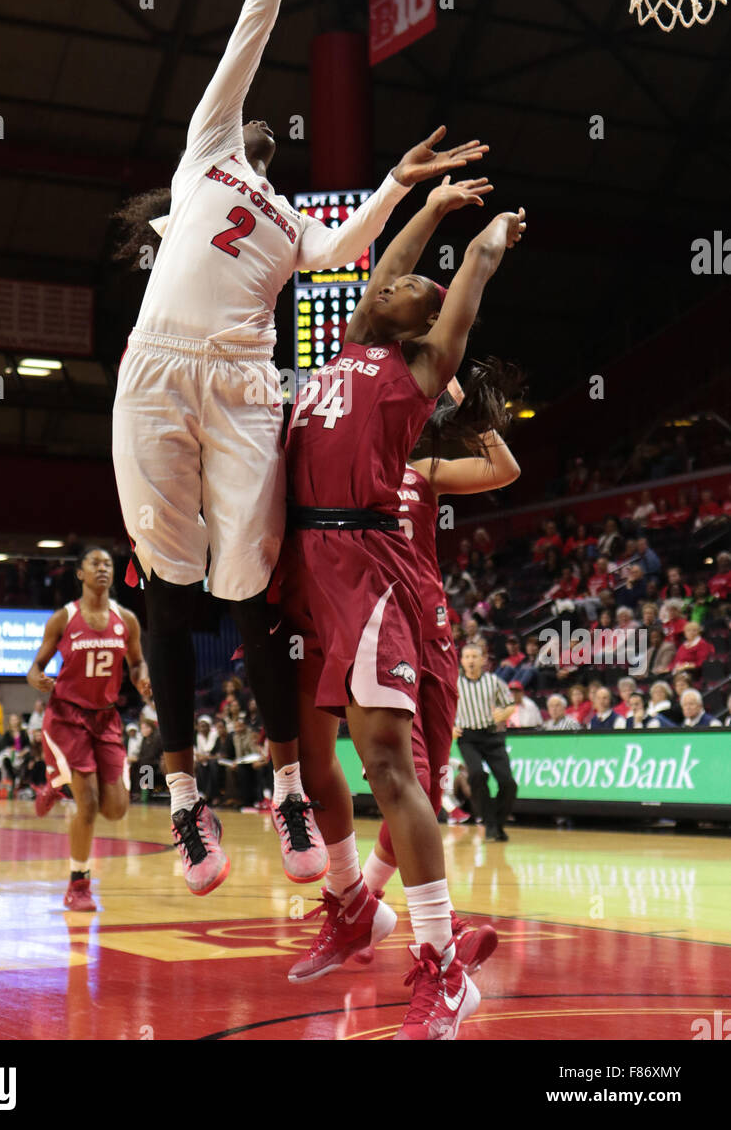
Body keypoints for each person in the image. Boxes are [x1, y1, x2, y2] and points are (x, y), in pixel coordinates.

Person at [110, 0, 488, 897]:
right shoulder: (208, 147)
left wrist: (400, 182)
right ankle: (183, 799)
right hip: (156, 367)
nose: (260, 133)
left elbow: (351, 250)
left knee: (243, 587)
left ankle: (279, 784)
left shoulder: (291, 229)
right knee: (168, 595)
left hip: (238, 384)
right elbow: (250, 20)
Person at [276, 176, 525, 1038]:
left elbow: (466, 280)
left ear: (422, 323)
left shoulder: (417, 367)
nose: (394, 283)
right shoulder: (347, 345)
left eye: (411, 288)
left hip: (366, 564)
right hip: (310, 565)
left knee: (388, 765)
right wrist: (432, 205)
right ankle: (358, 908)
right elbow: (397, 264)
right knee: (316, 764)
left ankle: (441, 966)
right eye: (385, 282)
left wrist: (489, 235)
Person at [357, 366, 521, 972]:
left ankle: (363, 903)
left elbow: (505, 470)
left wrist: (473, 413)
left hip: (435, 630)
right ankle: (437, 926)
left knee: (428, 788)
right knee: (417, 778)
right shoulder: (351, 470)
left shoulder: (423, 471)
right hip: (383, 630)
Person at [26, 546, 152, 912]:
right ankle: (78, 885)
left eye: (108, 565)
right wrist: (37, 679)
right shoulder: (63, 619)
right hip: (67, 718)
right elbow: (35, 666)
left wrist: (142, 679)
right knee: (90, 803)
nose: (102, 569)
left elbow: (138, 663)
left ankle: (55, 783)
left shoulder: (126, 619)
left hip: (106, 718)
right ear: (80, 574)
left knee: (115, 810)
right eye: (94, 564)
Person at [454, 642, 518, 839]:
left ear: (483, 660)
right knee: (477, 775)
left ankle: (495, 823)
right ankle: (490, 824)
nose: (471, 660)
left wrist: (504, 712)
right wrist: (450, 726)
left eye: (475, 656)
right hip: (468, 737)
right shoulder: (455, 683)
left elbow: (510, 705)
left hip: (492, 736)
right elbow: (442, 707)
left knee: (508, 783)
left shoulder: (494, 681)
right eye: (467, 657)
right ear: (462, 661)